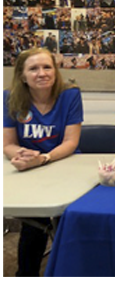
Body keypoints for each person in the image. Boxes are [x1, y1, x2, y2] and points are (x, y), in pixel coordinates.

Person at [3, 48, 83, 276]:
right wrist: (22, 154)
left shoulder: (70, 95)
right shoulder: (9, 97)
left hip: (65, 166)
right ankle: (25, 276)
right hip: (27, 171)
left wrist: (44, 158)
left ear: (55, 71)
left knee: (68, 219)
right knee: (33, 225)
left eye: (47, 67)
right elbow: (7, 143)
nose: (42, 73)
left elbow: (70, 142)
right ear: (22, 75)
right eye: (33, 68)